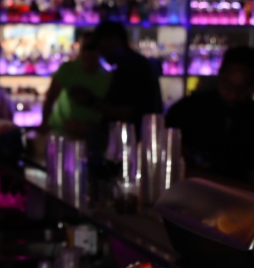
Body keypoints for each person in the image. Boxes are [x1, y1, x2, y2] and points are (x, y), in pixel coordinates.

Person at [166, 46, 254, 183]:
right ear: (220, 76)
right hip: (191, 188)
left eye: (242, 89)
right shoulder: (188, 108)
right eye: (228, 86)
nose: (233, 94)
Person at [92, 20, 163, 132]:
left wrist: (90, 101)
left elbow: (127, 112)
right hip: (140, 135)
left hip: (132, 137)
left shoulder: (131, 67)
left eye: (103, 49)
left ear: (115, 40)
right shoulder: (136, 63)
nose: (101, 54)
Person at [40, 32, 110, 139]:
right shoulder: (68, 69)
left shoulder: (106, 76)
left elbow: (108, 110)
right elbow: (50, 97)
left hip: (91, 137)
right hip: (61, 133)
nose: (87, 54)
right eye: (84, 49)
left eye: (92, 48)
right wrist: (44, 124)